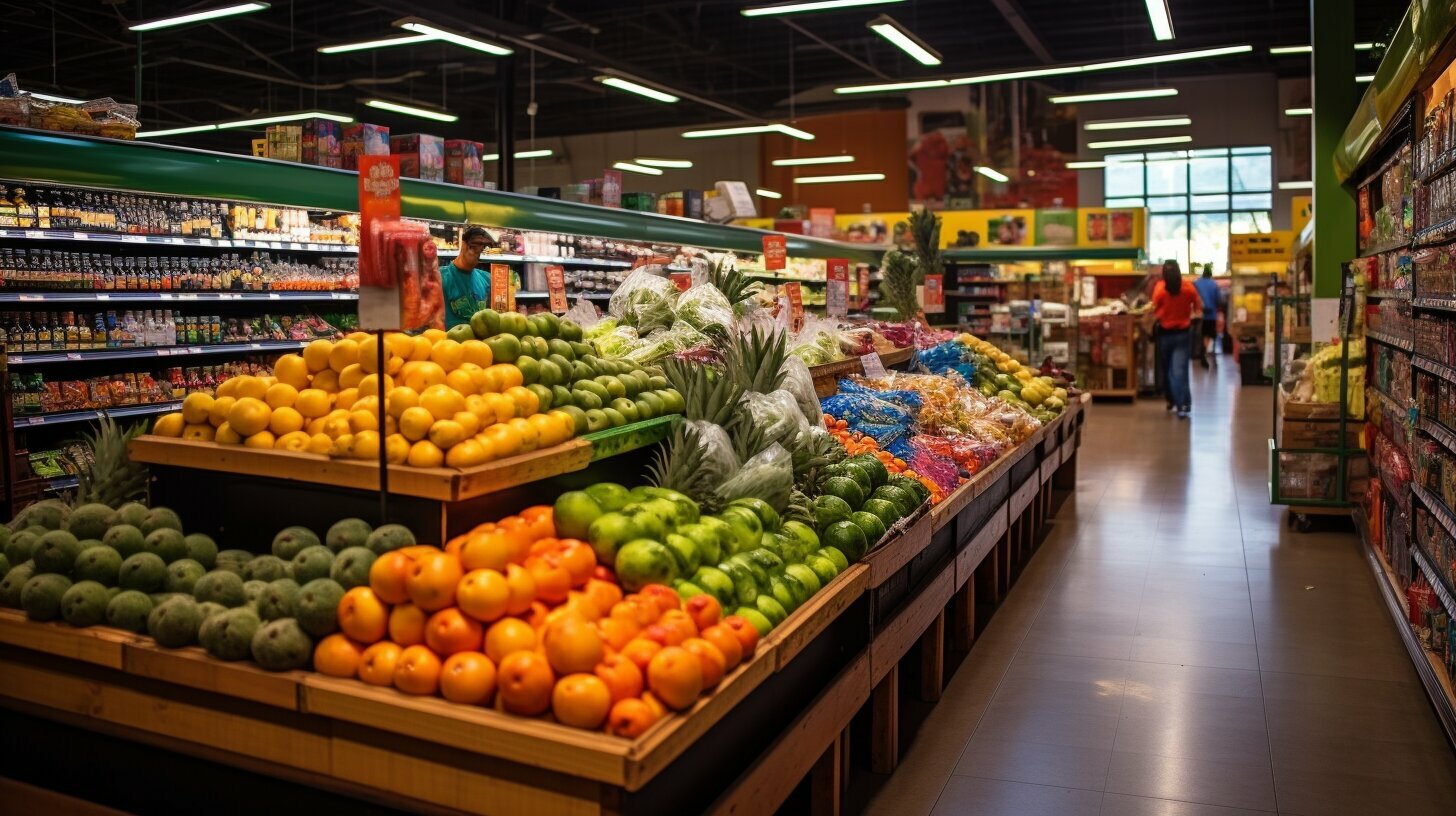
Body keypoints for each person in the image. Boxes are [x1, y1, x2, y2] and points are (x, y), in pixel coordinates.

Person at [1152, 260, 1203, 418]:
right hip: (1183, 333)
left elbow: (1155, 309)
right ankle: (1183, 402)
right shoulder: (1188, 287)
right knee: (1180, 370)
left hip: (1165, 334)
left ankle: (1176, 402)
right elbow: (1199, 307)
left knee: (1169, 370)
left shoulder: (1160, 288)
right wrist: (1191, 314)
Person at [441, 226, 490, 329]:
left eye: (481, 248)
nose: (475, 252)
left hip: (480, 344)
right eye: (473, 246)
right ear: (463, 244)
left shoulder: (487, 279)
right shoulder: (439, 277)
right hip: (448, 343)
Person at [1192, 265, 1220, 368]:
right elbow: (1219, 299)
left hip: (1199, 315)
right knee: (1211, 334)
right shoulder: (1214, 284)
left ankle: (1203, 351)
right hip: (1211, 314)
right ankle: (1209, 351)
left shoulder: (1196, 283)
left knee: (1203, 334)